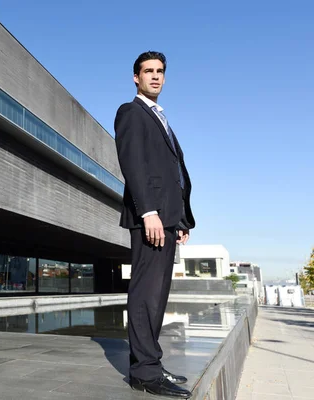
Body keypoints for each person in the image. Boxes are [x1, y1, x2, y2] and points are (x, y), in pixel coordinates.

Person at [114, 51, 196, 398]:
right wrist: (148, 212)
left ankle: (151, 362)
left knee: (158, 295)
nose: (155, 76)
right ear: (136, 77)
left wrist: (180, 219)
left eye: (160, 71)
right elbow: (132, 164)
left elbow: (172, 172)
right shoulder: (131, 112)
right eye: (148, 71)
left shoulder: (161, 118)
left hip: (166, 218)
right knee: (146, 292)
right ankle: (143, 373)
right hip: (150, 218)